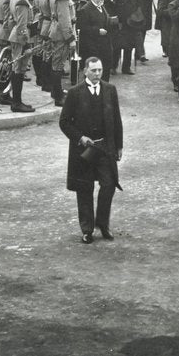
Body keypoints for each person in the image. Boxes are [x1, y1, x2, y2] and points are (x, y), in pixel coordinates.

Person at [59, 57, 123, 244]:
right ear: (85, 70)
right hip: (84, 150)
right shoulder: (74, 93)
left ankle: (102, 224)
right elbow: (64, 122)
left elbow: (117, 120)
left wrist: (118, 146)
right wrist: (80, 138)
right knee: (84, 188)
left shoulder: (110, 90)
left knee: (109, 184)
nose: (97, 74)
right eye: (93, 70)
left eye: (100, 70)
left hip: (104, 148)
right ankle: (87, 230)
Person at [110, 0, 143, 75]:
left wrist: (136, 18)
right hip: (120, 23)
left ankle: (126, 68)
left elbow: (139, 4)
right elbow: (113, 6)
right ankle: (113, 66)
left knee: (129, 46)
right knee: (117, 46)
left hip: (131, 23)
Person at [77, 0, 115, 75]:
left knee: (105, 70)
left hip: (104, 45)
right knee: (94, 71)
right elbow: (82, 27)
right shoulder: (85, 9)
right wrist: (97, 31)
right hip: (92, 47)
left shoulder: (102, 7)